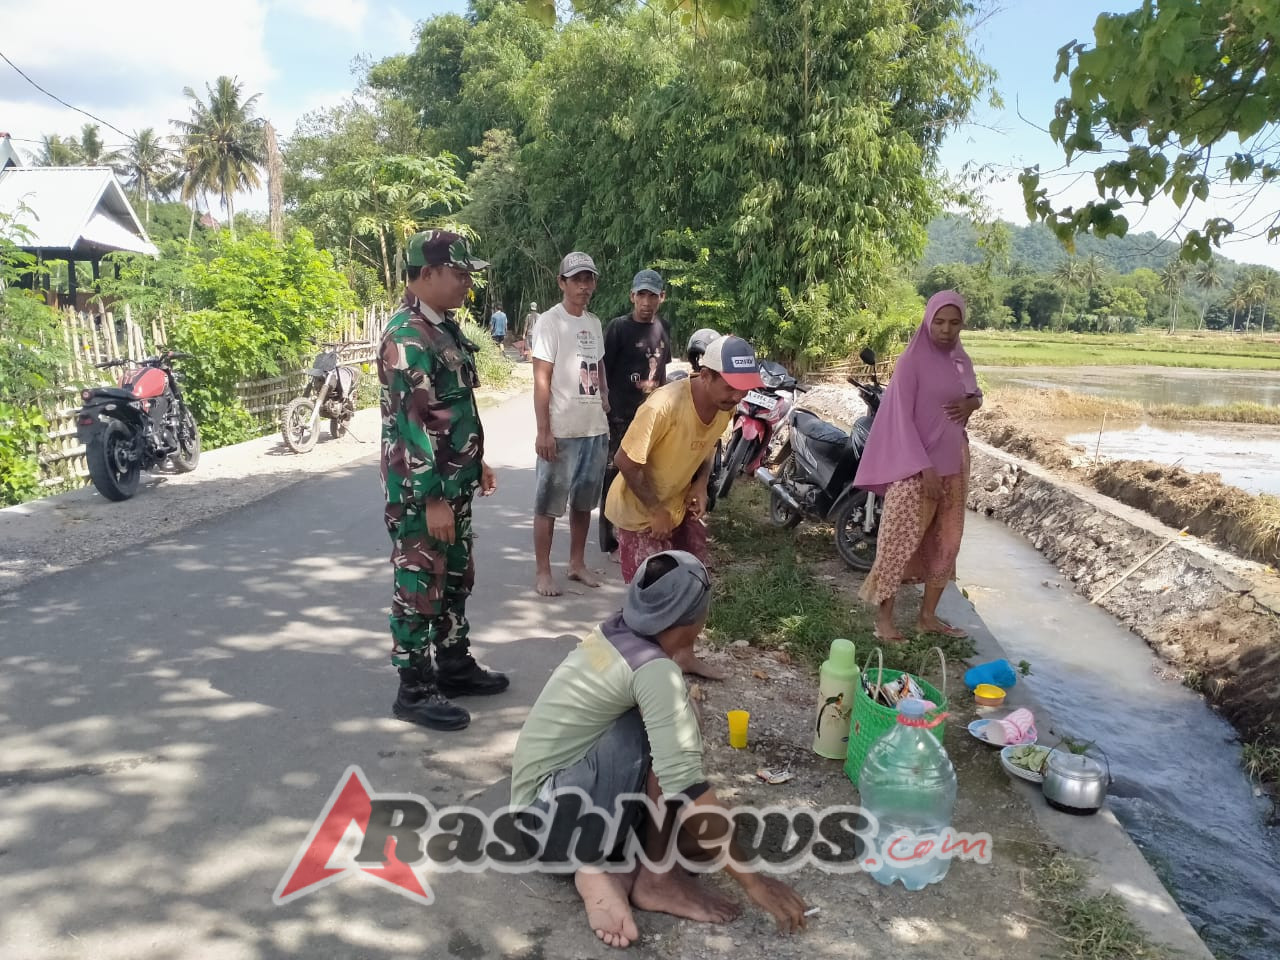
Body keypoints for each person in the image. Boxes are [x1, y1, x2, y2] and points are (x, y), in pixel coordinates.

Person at [510, 550, 809, 949]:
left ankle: (611, 872)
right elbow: (685, 785)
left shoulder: (616, 632)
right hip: (553, 827)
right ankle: (657, 878)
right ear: (695, 620)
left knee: (701, 840)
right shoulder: (654, 672)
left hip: (540, 812)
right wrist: (753, 882)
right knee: (670, 738)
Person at [378, 229, 510, 732]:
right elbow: (413, 427)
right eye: (459, 274)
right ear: (428, 273)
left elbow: (454, 410)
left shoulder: (444, 328)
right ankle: (414, 687)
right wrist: (432, 496)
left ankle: (453, 665)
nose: (466, 284)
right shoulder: (406, 338)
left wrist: (477, 462)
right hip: (421, 492)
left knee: (455, 576)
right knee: (419, 581)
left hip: (454, 484)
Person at [853, 289, 982, 643]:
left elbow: (974, 393)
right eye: (939, 321)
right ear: (928, 321)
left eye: (954, 323)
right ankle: (884, 621)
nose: (946, 329)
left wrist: (973, 404)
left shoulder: (961, 359)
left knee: (948, 541)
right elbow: (900, 418)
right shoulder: (911, 362)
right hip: (915, 466)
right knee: (899, 539)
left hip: (955, 462)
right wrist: (923, 467)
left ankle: (928, 617)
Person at [605, 334, 762, 595]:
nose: (737, 396)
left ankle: (682, 634)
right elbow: (625, 460)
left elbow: (710, 444)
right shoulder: (663, 407)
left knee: (692, 585)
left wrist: (700, 485)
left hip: (676, 507)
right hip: (640, 512)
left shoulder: (725, 406)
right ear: (705, 376)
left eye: (743, 388)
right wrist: (656, 510)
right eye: (730, 387)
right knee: (654, 596)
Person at [532, 252, 610, 597]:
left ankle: (576, 564)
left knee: (584, 503)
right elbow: (541, 379)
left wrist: (605, 396)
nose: (584, 286)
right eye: (576, 279)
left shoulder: (593, 322)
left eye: (588, 279)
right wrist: (544, 430)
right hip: (562, 431)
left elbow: (599, 364)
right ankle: (544, 572)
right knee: (548, 504)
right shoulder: (550, 322)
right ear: (562, 282)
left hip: (594, 426)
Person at [599, 269, 674, 558]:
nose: (646, 302)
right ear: (632, 296)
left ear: (661, 298)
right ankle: (609, 536)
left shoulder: (663, 327)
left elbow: (663, 370)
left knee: (647, 474)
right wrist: (604, 403)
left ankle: (641, 526)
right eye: (641, 295)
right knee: (615, 473)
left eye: (652, 296)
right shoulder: (618, 328)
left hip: (652, 416)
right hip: (621, 415)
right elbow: (602, 368)